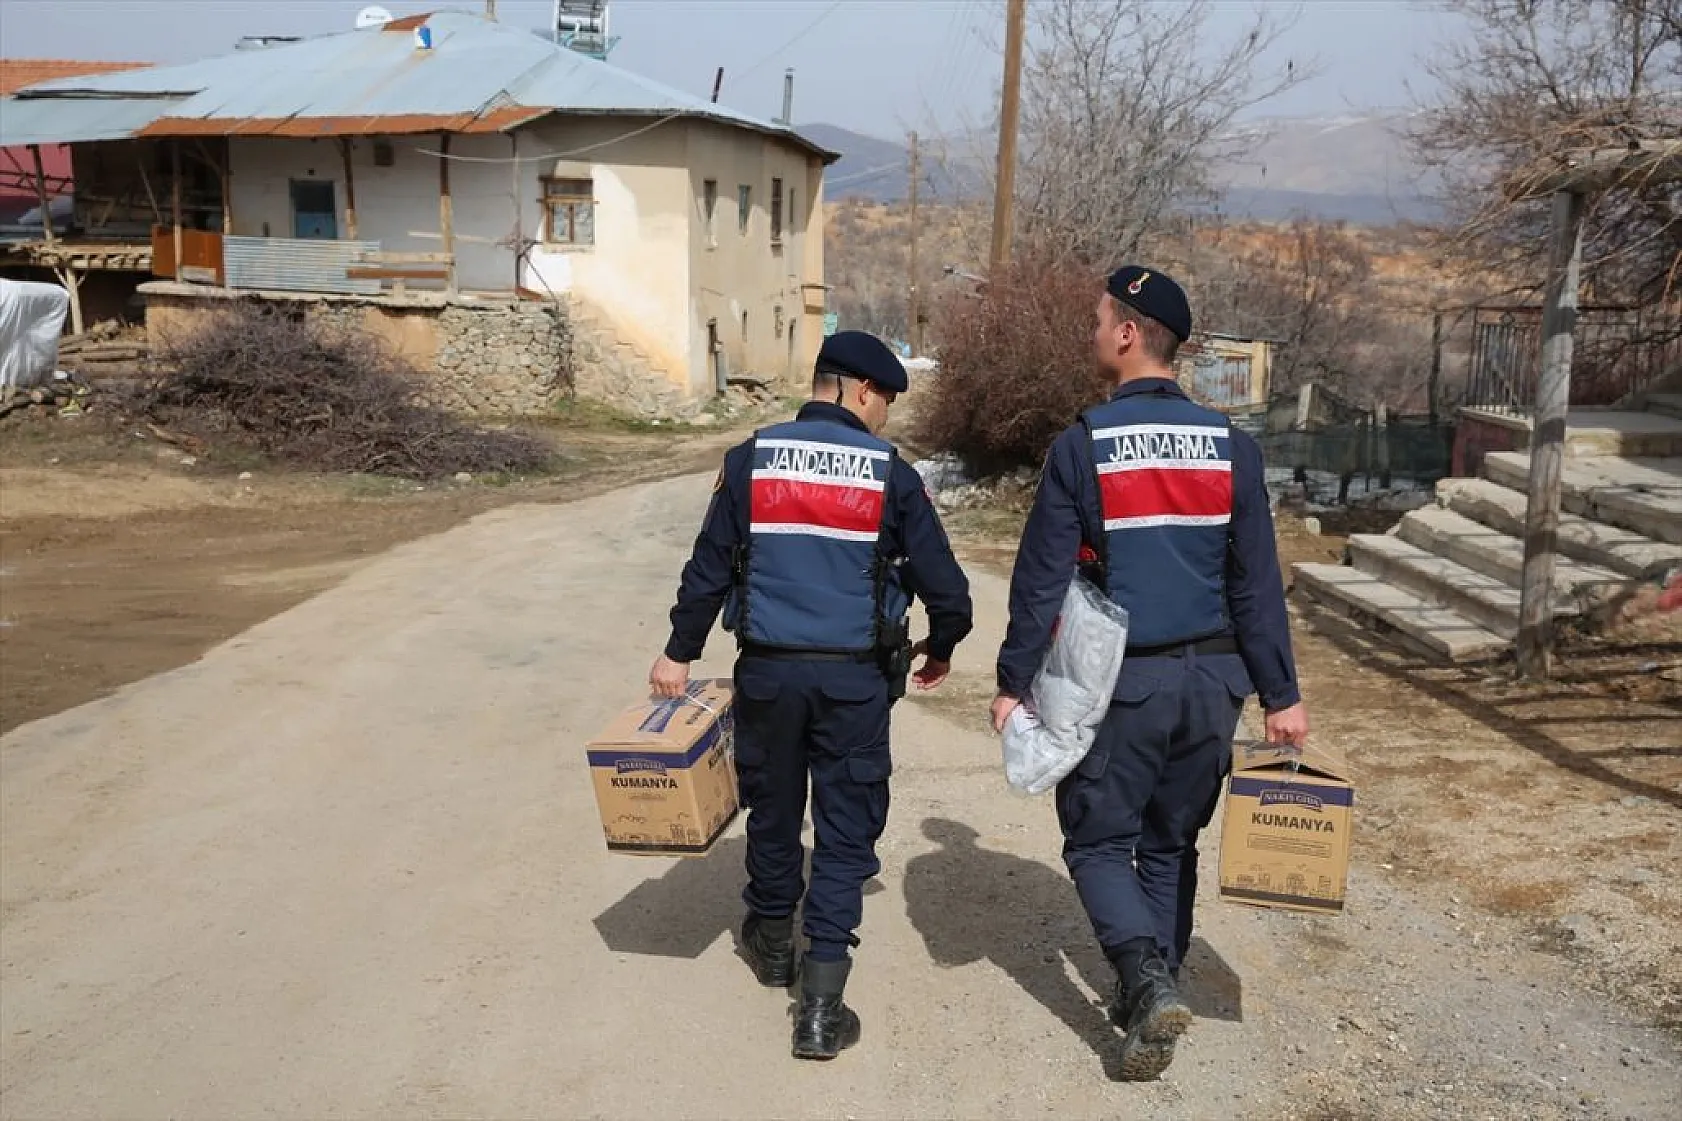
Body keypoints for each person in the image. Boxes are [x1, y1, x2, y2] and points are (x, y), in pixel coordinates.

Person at [990, 266, 1309, 1081]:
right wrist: (1282, 694)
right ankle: (1153, 1001)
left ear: (1130, 333)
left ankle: (1142, 977)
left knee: (1097, 838)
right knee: (1170, 842)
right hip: (1214, 687)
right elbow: (1256, 584)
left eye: (1101, 318)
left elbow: (1040, 580)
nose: (1094, 331)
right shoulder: (1233, 448)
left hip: (1124, 686)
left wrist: (1013, 679)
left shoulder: (1083, 445)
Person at [650, 330, 974, 1061]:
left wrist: (678, 650)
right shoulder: (891, 473)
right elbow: (946, 587)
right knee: (844, 826)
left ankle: (770, 941)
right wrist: (944, 642)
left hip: (766, 671)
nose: (885, 414)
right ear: (861, 390)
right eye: (885, 399)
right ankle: (822, 1005)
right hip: (853, 681)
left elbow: (707, 569)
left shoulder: (750, 460)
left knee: (773, 805)